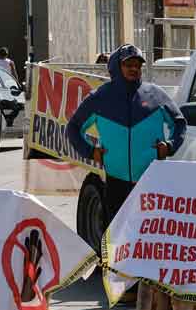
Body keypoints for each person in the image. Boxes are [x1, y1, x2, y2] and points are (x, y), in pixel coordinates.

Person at [67, 44, 186, 227]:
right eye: (128, 64)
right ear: (116, 66)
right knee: (117, 236)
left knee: (151, 233)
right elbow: (73, 128)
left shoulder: (155, 94)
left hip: (151, 178)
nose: (134, 69)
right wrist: (91, 152)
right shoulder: (100, 98)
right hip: (116, 181)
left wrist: (169, 146)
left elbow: (179, 122)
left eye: (137, 65)